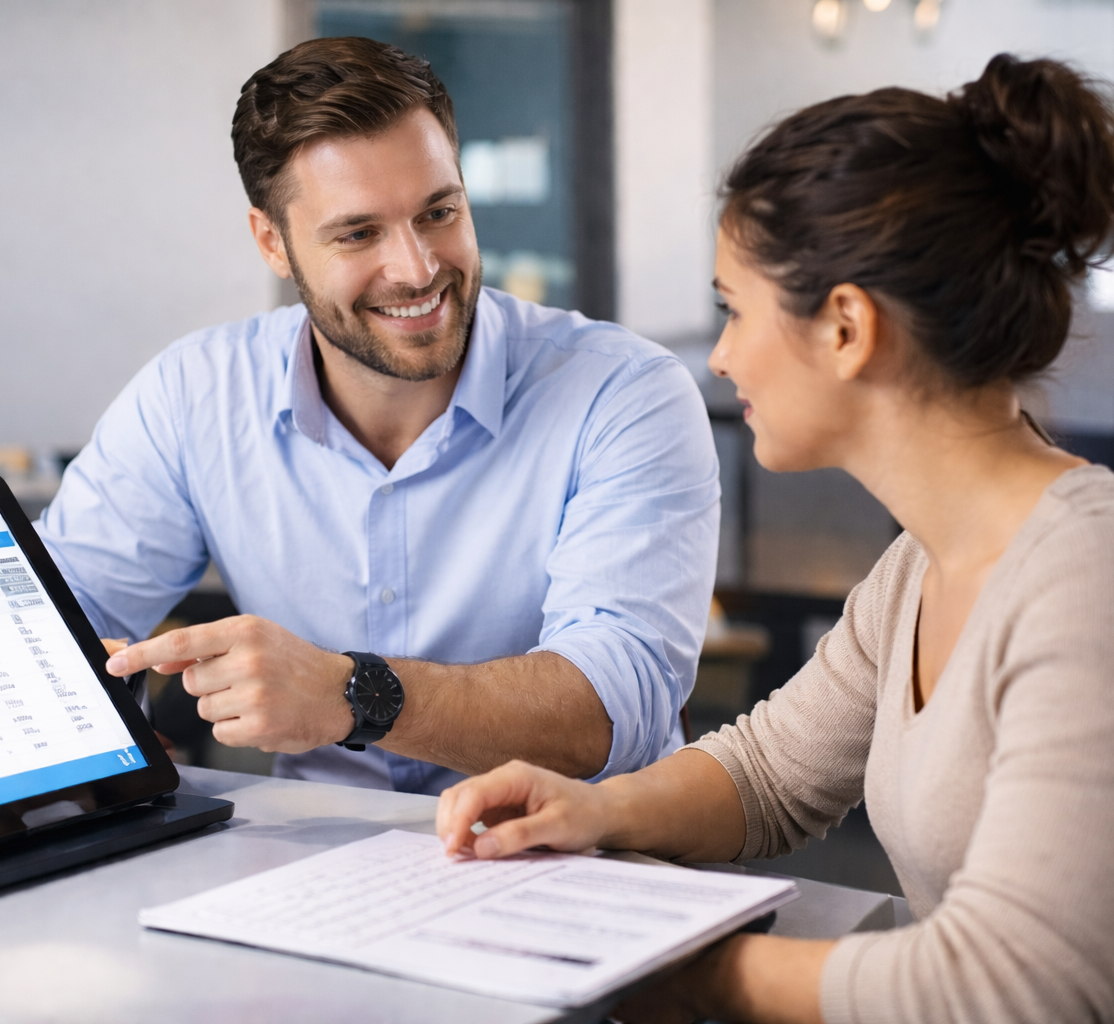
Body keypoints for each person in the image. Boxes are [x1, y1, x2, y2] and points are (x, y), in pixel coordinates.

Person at [436, 54, 1114, 1023]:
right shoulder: (920, 564)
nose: (720, 354)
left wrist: (685, 973)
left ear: (845, 328)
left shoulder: (1112, 583)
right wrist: (590, 810)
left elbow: (1007, 986)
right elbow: (771, 776)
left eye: (734, 310)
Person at [36, 37, 720, 795]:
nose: (419, 268)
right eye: (359, 233)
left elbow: (611, 705)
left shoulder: (622, 392)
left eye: (439, 212)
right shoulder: (194, 395)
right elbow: (51, 623)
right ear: (273, 241)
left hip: (583, 864)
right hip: (313, 864)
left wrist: (352, 695)